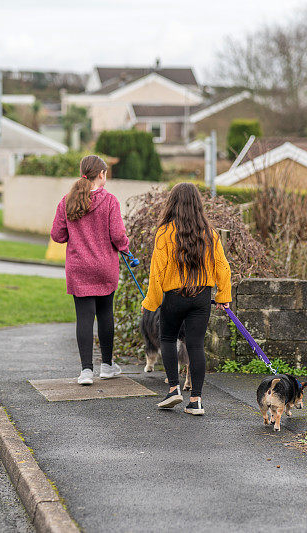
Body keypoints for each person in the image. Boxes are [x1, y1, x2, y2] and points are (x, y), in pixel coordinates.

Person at [141, 182, 232, 415]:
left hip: (174, 297)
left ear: (172, 204)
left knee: (168, 338)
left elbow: (156, 272)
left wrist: (150, 303)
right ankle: (196, 401)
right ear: (197, 205)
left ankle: (173, 390)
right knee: (195, 345)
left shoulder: (164, 233)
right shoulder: (210, 234)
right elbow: (223, 268)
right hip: (201, 298)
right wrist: (223, 295)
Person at [51, 155, 130, 386]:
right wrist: (125, 248)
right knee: (106, 314)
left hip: (78, 268)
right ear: (101, 174)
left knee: (84, 318)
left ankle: (86, 371)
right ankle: (107, 365)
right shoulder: (109, 201)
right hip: (105, 267)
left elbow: (57, 235)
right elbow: (117, 235)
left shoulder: (68, 200)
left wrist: (75, 235)